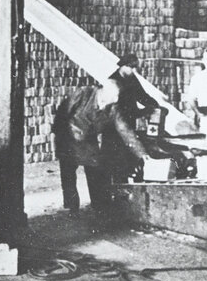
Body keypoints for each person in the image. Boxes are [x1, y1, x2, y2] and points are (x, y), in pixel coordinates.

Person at [53, 77, 149, 215]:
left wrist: (142, 153)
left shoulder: (113, 108)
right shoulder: (83, 94)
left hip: (88, 140)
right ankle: (71, 206)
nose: (116, 99)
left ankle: (99, 205)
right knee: (68, 172)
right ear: (105, 91)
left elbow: (125, 130)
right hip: (68, 136)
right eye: (114, 95)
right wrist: (58, 136)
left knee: (95, 169)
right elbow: (63, 112)